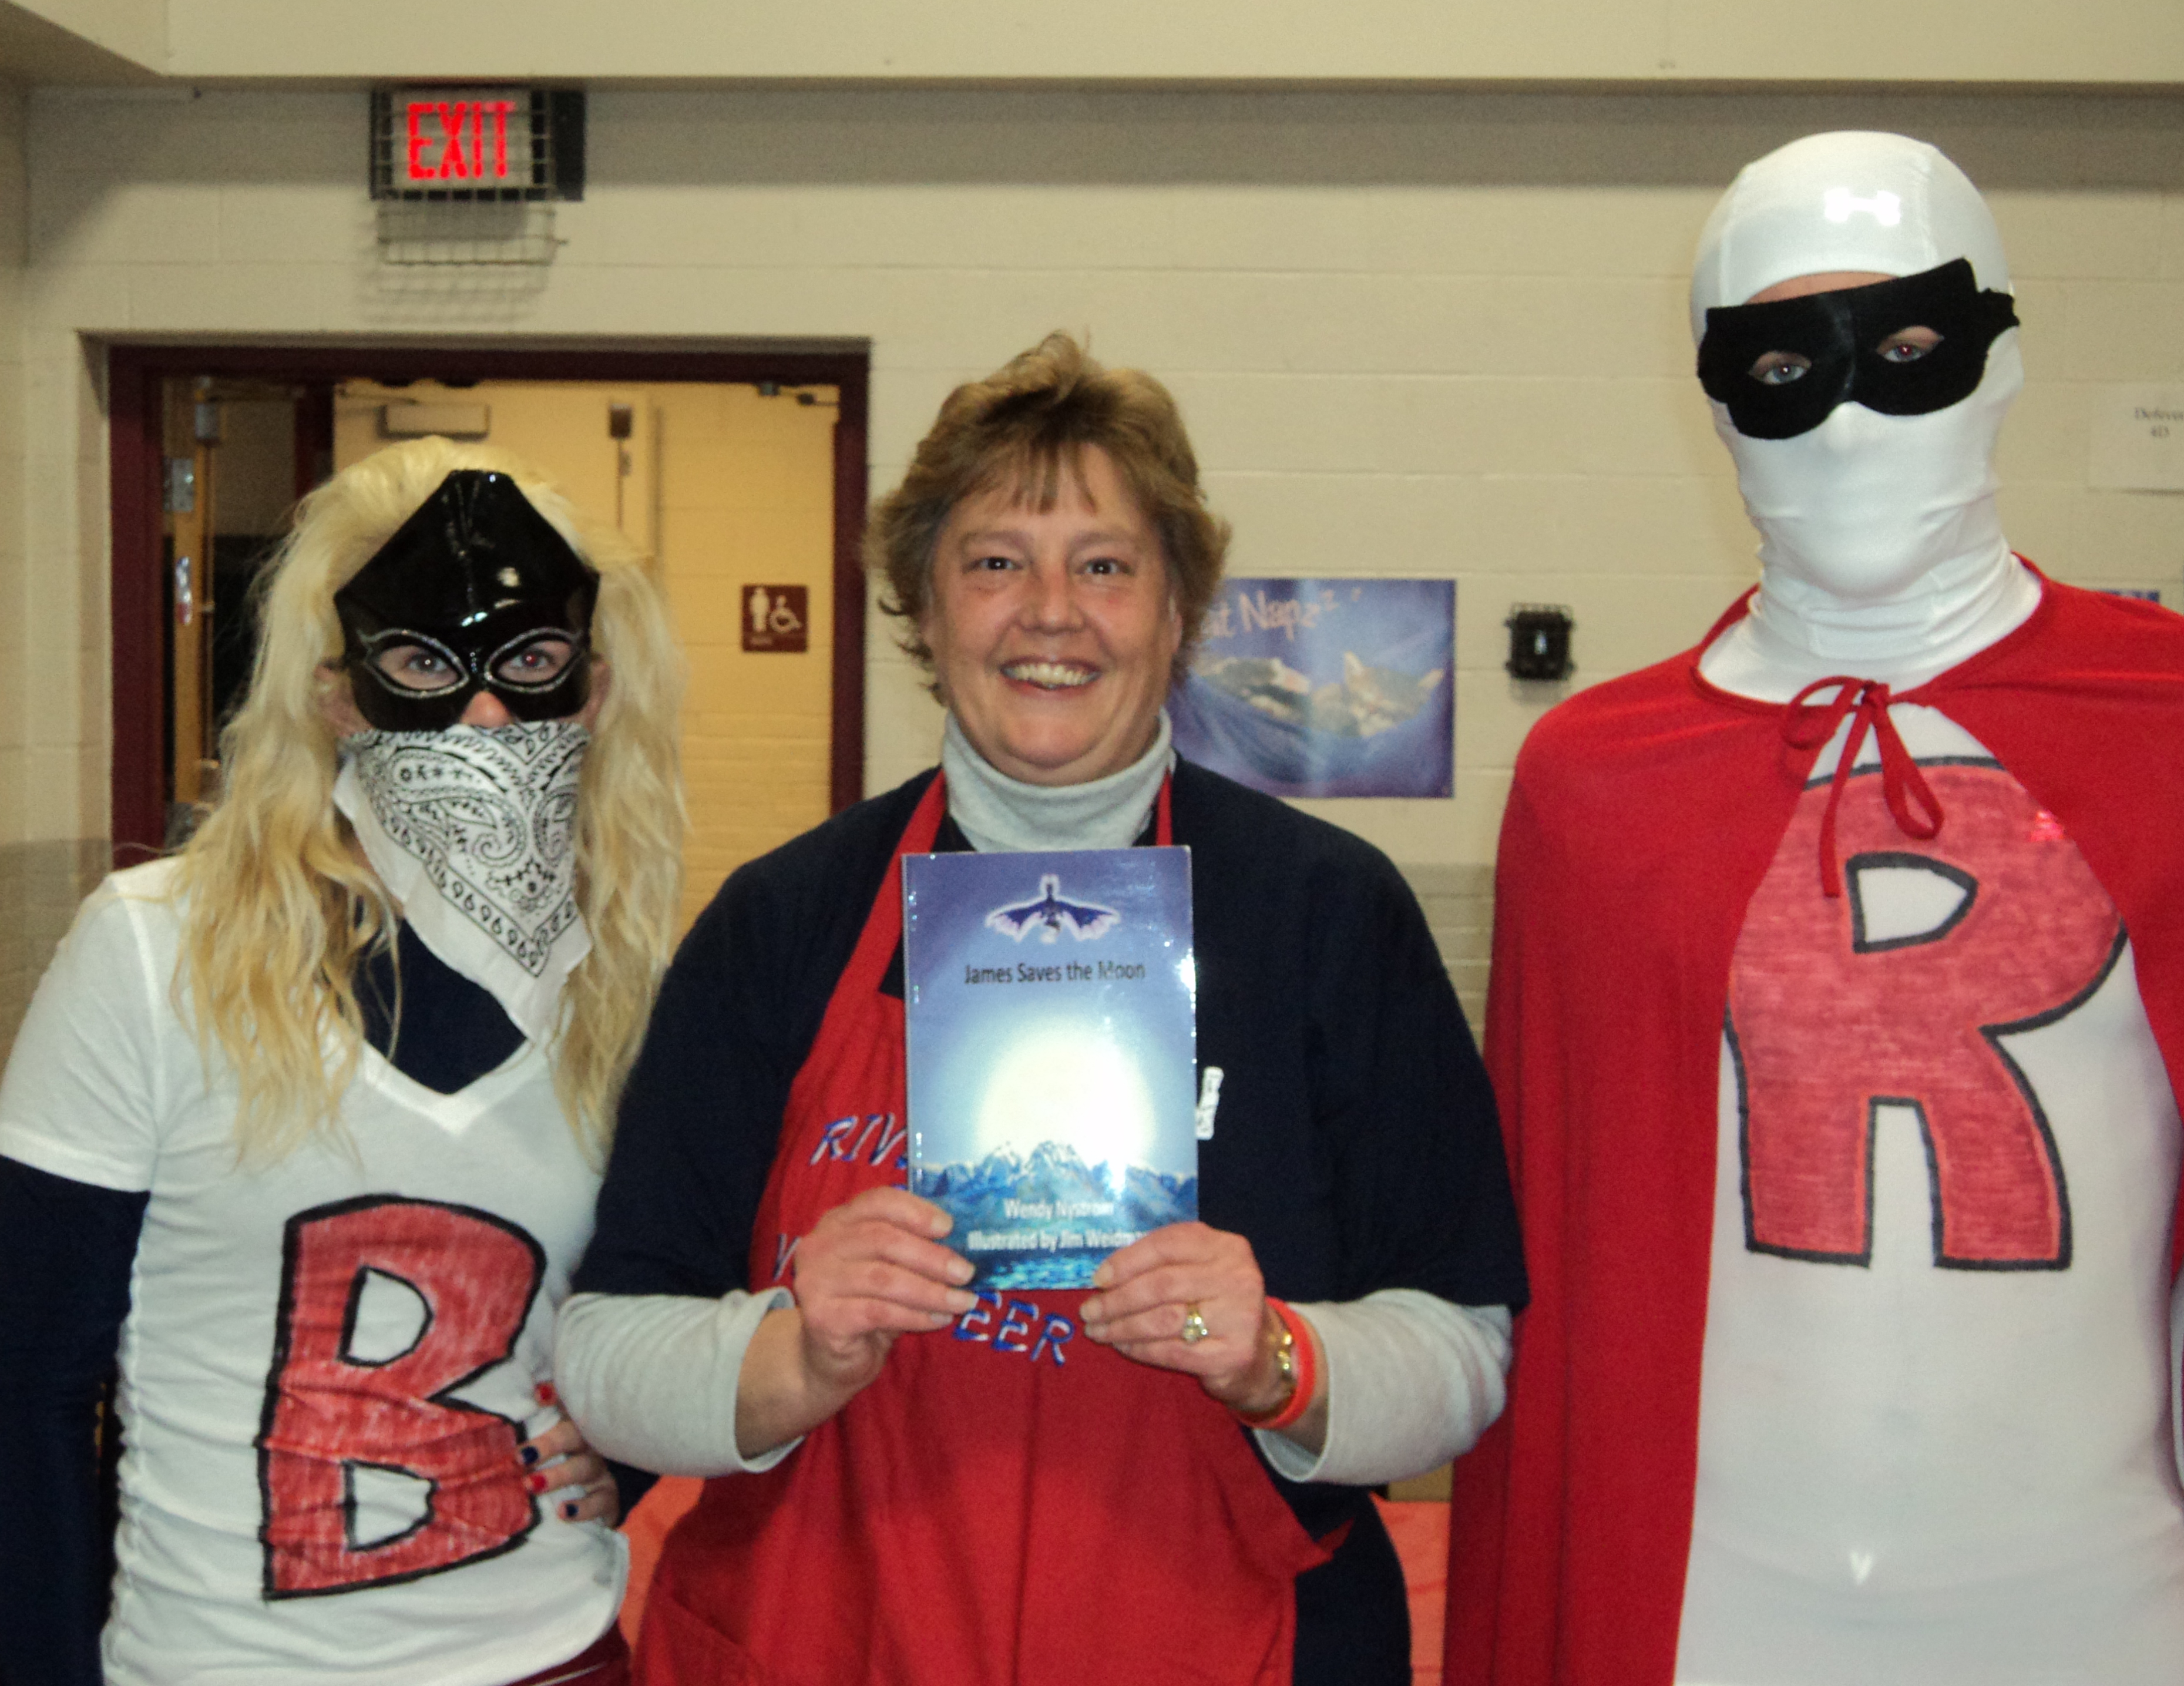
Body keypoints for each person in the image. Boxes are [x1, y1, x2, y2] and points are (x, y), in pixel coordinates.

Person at [1445, 130, 2184, 1686]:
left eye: (1910, 349)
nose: (1851, 418)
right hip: (1714, 1604)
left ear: (2003, 356)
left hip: (2104, 1604)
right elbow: (1556, 1268)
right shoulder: (1598, 784)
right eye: (1782, 366)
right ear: (1716, 397)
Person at [557, 332, 1527, 1686]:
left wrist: (1275, 1358)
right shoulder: (783, 921)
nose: (1051, 612)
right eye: (996, 562)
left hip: (1223, 1638)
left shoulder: (1323, 913)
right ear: (925, 605)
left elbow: (1464, 1347)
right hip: (837, 1640)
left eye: (1105, 566)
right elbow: (607, 1350)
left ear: (1178, 612)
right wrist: (791, 1351)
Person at [0, 443, 687, 1685]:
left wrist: (628, 1452)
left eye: (531, 662)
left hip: (546, 1645)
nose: (484, 717)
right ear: (335, 697)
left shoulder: (623, 982)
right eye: (423, 666)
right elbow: (27, 1379)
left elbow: (669, 1300)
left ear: (593, 691)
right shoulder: (156, 951)